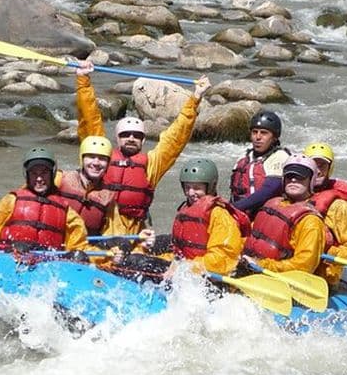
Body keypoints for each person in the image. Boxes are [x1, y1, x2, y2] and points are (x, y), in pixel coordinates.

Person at [74, 61, 211, 234]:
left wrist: (195, 98)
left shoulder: (152, 165)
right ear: (117, 138)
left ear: (143, 140)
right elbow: (89, 121)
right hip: (101, 231)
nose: (131, 138)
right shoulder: (100, 158)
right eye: (126, 134)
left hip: (133, 233)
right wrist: (83, 80)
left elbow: (176, 138)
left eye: (137, 135)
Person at [0, 147, 90, 258]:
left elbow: (77, 242)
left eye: (44, 173)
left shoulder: (65, 209)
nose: (39, 178)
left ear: (52, 174)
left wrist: (77, 255)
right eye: (34, 173)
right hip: (9, 256)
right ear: (27, 175)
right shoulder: (12, 200)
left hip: (47, 263)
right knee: (19, 247)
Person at [239, 153, 325, 275]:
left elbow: (304, 265)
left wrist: (261, 265)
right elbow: (252, 239)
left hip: (279, 278)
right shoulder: (271, 204)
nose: (294, 180)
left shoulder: (310, 221)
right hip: (251, 268)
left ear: (311, 181)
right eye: (290, 176)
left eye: (300, 177)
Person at [165, 158, 249, 275]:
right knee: (139, 258)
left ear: (210, 186)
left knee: (140, 262)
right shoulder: (186, 209)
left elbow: (222, 258)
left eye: (197, 188)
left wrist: (185, 268)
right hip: (190, 269)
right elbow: (179, 252)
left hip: (208, 276)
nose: (190, 193)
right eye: (187, 187)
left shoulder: (219, 214)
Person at [303, 142, 347, 285]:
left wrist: (327, 252)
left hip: (324, 275)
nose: (318, 171)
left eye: (322, 166)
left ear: (330, 169)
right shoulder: (293, 195)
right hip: (295, 266)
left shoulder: (341, 207)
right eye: (314, 165)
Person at [57, 136, 126, 236]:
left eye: (102, 159)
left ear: (108, 163)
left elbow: (114, 231)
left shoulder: (107, 197)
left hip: (85, 247)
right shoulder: (60, 179)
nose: (96, 163)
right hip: (55, 243)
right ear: (82, 159)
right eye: (91, 157)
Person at [230, 110, 291, 218]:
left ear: (274, 137)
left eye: (264, 133)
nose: (258, 137)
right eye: (254, 132)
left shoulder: (280, 157)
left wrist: (233, 208)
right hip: (240, 213)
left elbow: (269, 190)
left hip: (265, 216)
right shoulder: (244, 157)